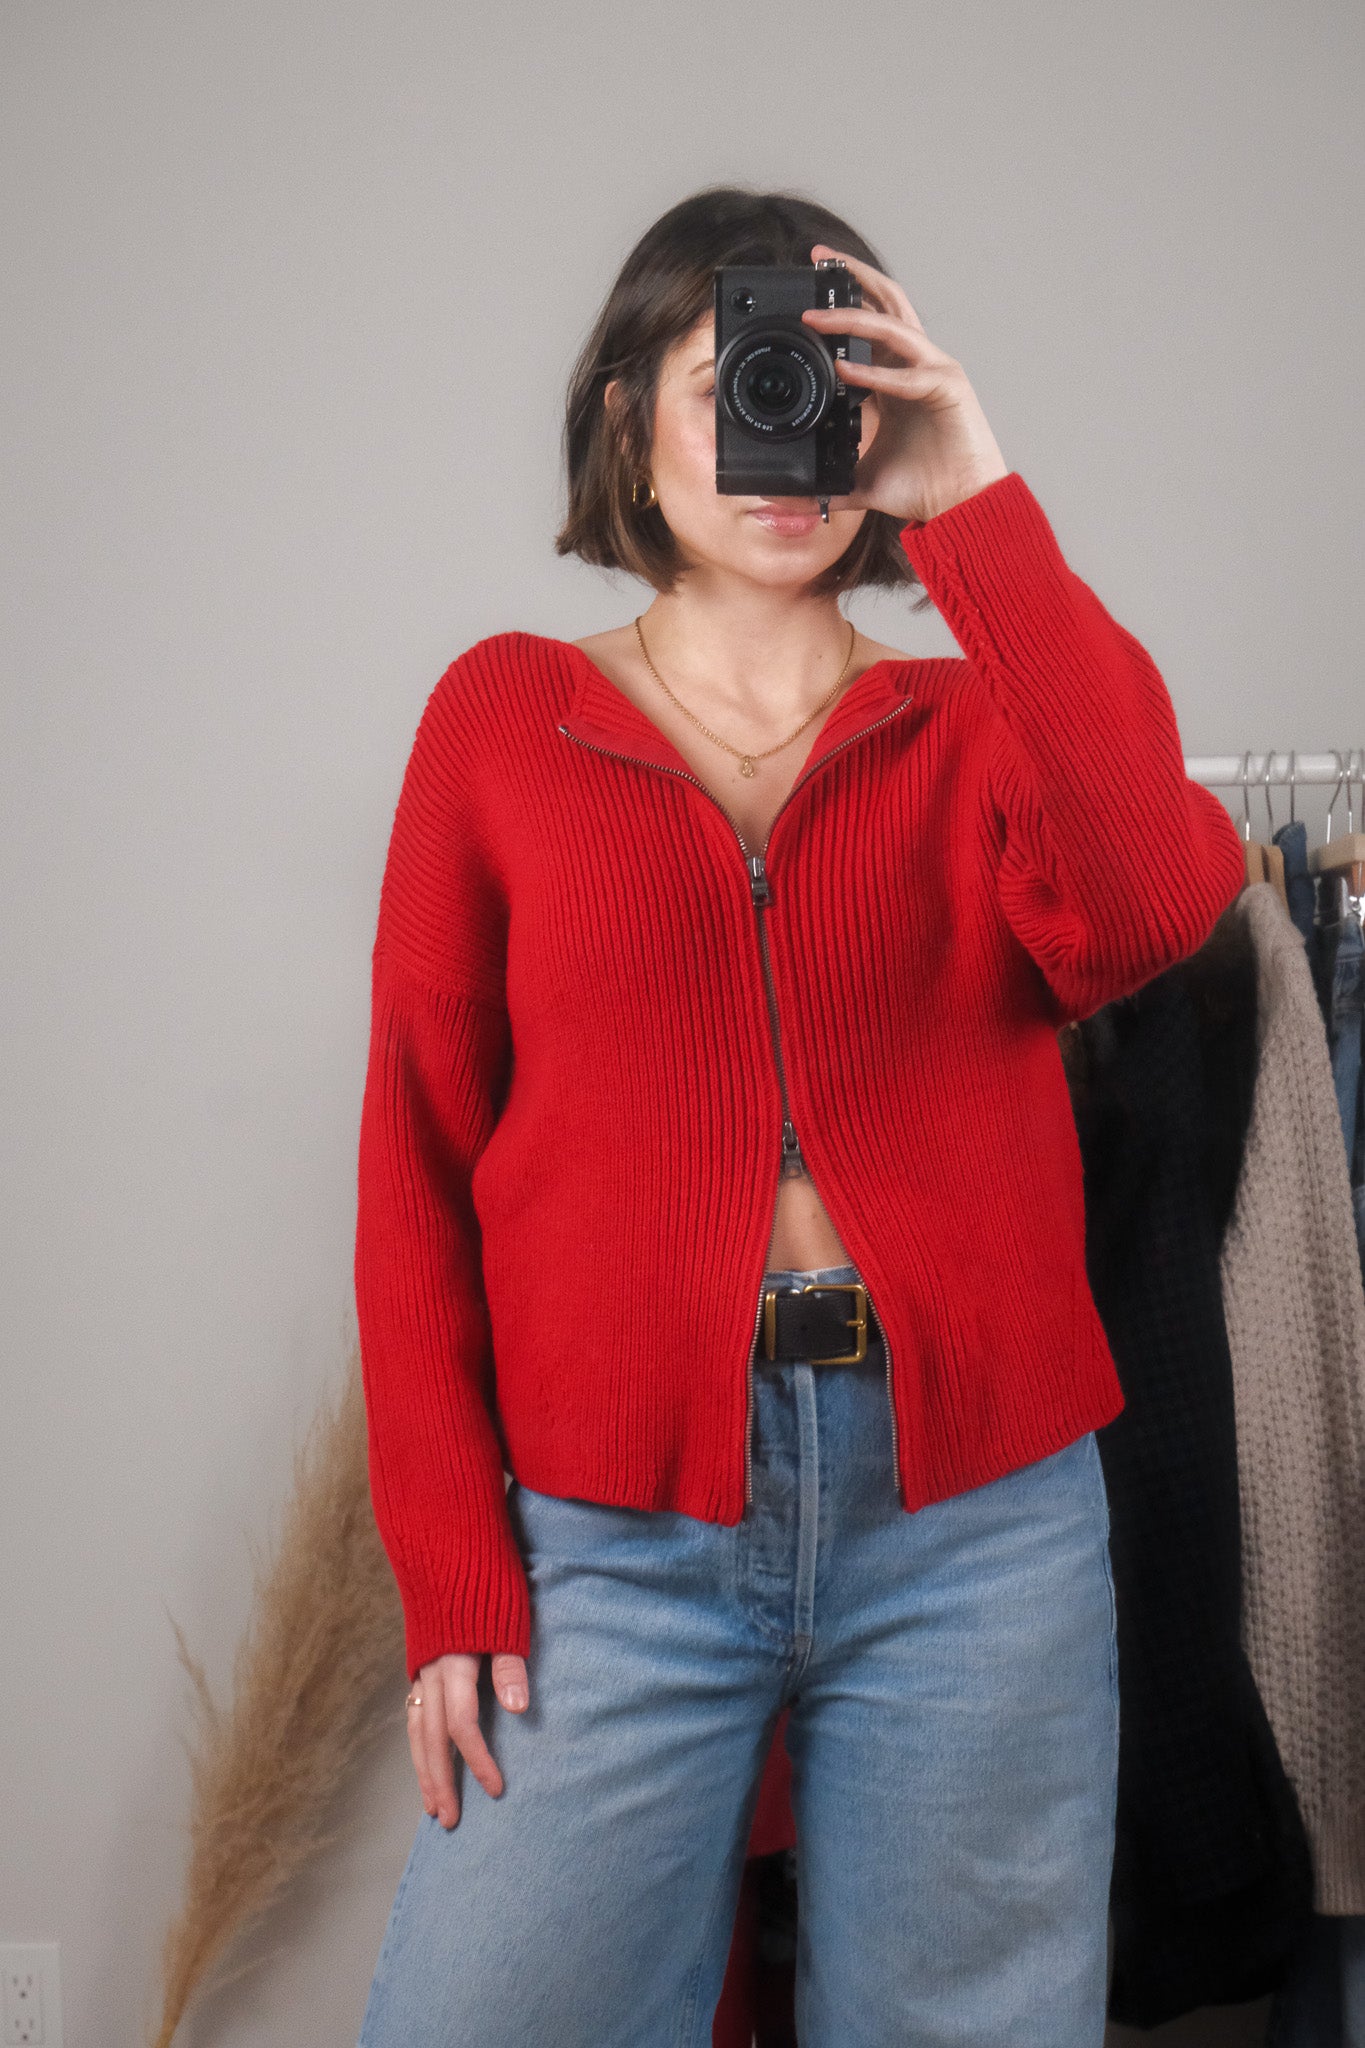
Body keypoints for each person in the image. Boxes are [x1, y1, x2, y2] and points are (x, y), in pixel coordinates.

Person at [353, 184, 1247, 2047]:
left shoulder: (976, 724)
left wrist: (972, 496)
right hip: (611, 1529)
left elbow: (1158, 901)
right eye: (735, 384)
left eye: (835, 389)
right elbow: (416, 1163)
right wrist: (450, 1559)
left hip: (973, 1518)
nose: (789, 433)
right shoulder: (500, 723)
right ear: (630, 423)